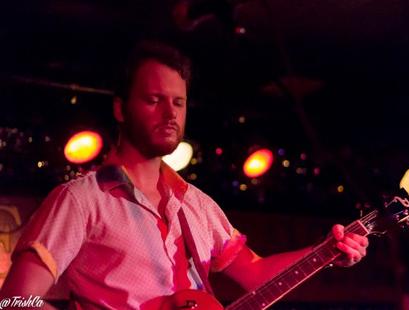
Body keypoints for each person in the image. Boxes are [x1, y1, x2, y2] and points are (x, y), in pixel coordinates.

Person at [0, 41, 368, 309]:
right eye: (154, 100)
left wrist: (328, 251)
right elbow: (15, 300)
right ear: (120, 109)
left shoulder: (198, 205)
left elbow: (255, 273)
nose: (170, 113)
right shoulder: (80, 201)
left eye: (178, 102)